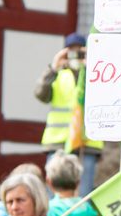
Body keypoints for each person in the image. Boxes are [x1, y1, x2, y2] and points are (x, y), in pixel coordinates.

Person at [34, 33, 103, 196]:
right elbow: (40, 93)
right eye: (70, 52)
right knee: (54, 193)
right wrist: (53, 67)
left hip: (86, 144)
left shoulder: (95, 74)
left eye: (79, 52)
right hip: (58, 142)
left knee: (82, 194)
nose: (75, 56)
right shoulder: (57, 76)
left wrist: (94, 64)